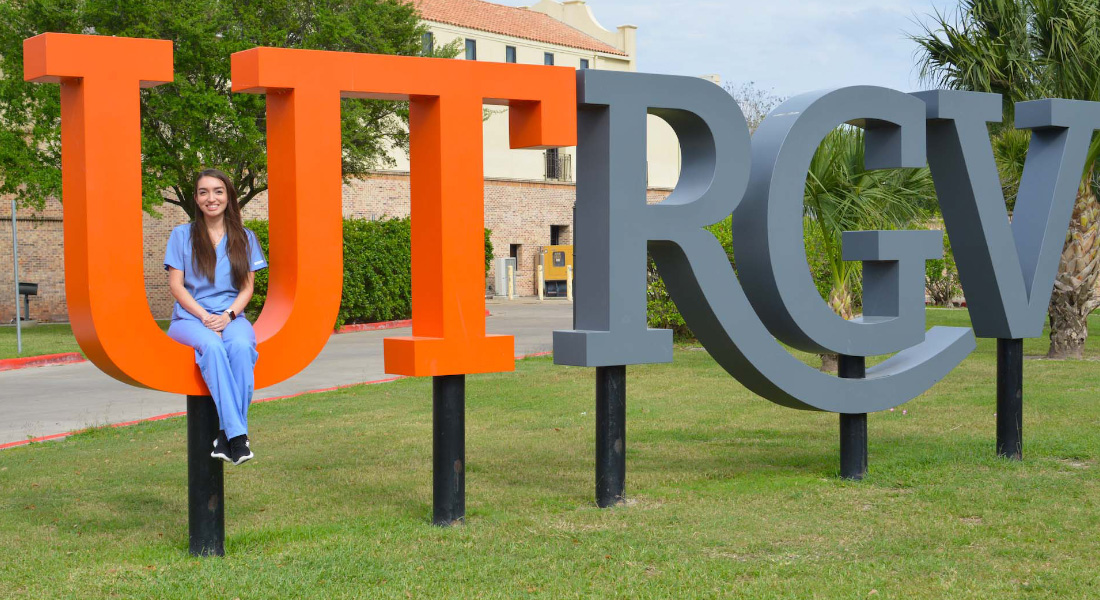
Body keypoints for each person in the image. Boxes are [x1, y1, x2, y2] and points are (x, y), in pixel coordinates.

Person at [164, 169, 267, 466]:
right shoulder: (181, 235)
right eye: (204, 192)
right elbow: (176, 285)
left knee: (242, 348)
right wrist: (206, 317)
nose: (212, 198)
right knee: (211, 346)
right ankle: (237, 437)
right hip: (190, 320)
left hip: (231, 317)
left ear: (228, 196)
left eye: (218, 191)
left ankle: (228, 436)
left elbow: (248, 287)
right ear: (196, 199)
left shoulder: (245, 238)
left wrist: (227, 315)